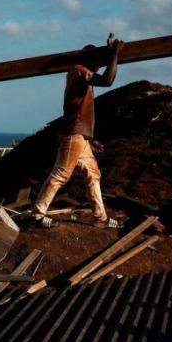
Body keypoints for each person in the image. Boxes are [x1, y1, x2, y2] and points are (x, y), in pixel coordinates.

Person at [31, 37, 125, 228]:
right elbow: (108, 80)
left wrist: (89, 138)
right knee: (61, 174)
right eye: (97, 61)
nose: (99, 66)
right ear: (89, 59)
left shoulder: (84, 75)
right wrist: (115, 52)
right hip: (73, 134)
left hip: (80, 136)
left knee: (93, 174)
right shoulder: (78, 71)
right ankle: (37, 214)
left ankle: (100, 217)